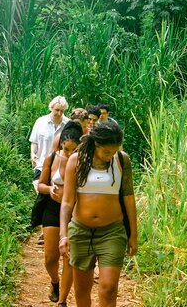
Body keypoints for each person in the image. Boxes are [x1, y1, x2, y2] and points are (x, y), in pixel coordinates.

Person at [59, 120, 138, 307]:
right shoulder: (76, 160)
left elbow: (128, 197)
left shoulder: (121, 159)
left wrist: (133, 235)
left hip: (112, 232)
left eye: (114, 151)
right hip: (81, 231)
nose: (110, 155)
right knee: (81, 290)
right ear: (97, 144)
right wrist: (63, 235)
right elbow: (67, 202)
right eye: (107, 152)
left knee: (109, 288)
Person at [38, 121, 83, 306]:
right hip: (53, 208)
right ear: (61, 144)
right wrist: (49, 189)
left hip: (75, 210)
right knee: (50, 257)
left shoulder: (85, 162)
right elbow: (40, 185)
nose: (69, 154)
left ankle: (62, 300)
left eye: (74, 150)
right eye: (66, 149)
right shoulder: (52, 158)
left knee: (69, 258)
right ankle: (55, 282)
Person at [30, 96, 70, 193]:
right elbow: (34, 141)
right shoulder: (41, 122)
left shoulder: (68, 124)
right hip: (41, 163)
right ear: (51, 108)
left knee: (56, 193)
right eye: (57, 110)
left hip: (59, 166)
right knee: (39, 190)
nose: (59, 113)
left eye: (62, 111)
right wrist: (32, 154)